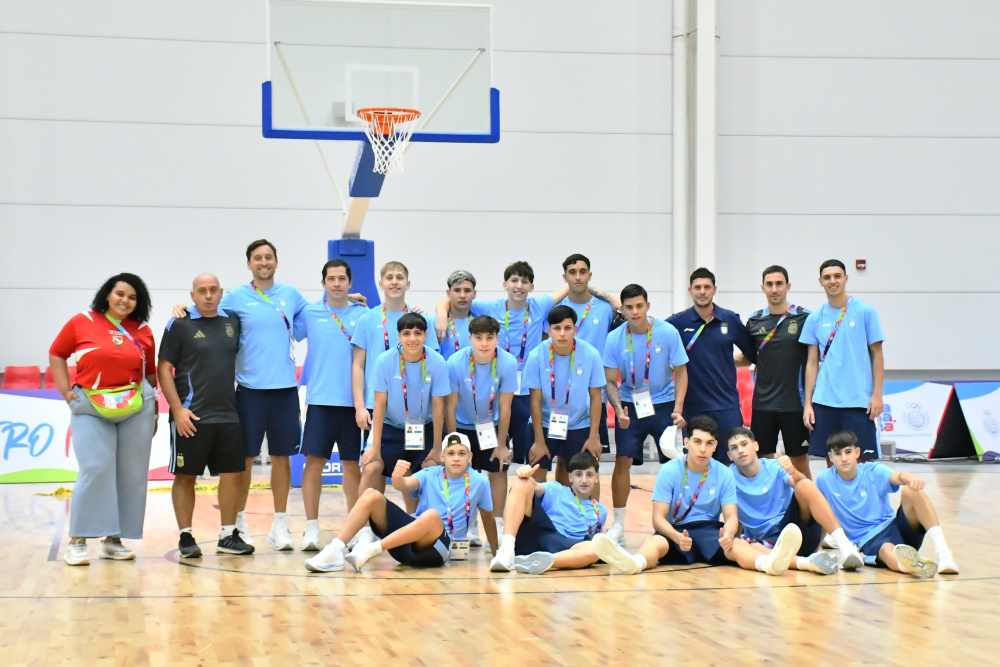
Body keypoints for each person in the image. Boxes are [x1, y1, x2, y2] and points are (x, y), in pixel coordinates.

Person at [171, 239, 310, 549]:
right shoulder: (233, 296)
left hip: (285, 391)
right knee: (242, 461)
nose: (264, 262)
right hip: (248, 392)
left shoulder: (291, 295)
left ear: (276, 261)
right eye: (257, 258)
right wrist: (182, 308)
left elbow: (319, 314)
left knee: (282, 459)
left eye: (269, 257)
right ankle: (240, 524)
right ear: (249, 263)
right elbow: (203, 307)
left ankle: (280, 524)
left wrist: (351, 299)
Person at [592, 416, 802, 576]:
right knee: (655, 543)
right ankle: (635, 563)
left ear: (716, 446)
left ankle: (767, 565)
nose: (703, 449)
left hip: (709, 529)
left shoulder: (723, 473)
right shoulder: (670, 471)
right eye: (697, 441)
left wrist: (728, 533)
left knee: (736, 545)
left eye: (709, 443)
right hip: (675, 530)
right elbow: (657, 518)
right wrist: (676, 537)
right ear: (686, 442)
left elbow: (731, 517)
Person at [49, 273, 158, 566]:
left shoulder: (144, 331)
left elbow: (150, 375)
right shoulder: (81, 321)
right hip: (90, 407)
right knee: (95, 468)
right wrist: (65, 390)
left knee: (131, 475)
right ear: (108, 295)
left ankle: (113, 540)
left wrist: (155, 410)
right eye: (120, 294)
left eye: (132, 297)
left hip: (137, 409)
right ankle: (78, 540)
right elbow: (57, 353)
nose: (125, 300)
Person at [158, 273, 253, 557]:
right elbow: (164, 368)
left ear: (221, 292)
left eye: (213, 290)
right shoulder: (179, 323)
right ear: (192, 296)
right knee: (186, 477)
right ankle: (186, 537)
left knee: (234, 474)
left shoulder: (233, 321)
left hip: (228, 414)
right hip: (191, 417)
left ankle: (227, 535)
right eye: (202, 291)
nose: (208, 295)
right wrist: (177, 409)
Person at [305, 433, 495, 573]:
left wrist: (497, 555)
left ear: (470, 457)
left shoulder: (480, 482)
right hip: (407, 542)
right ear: (442, 457)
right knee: (371, 495)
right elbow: (404, 484)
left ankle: (372, 550)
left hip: (439, 549)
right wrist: (397, 477)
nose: (456, 458)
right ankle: (335, 550)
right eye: (451, 453)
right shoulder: (431, 474)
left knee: (432, 516)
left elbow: (488, 518)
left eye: (462, 453)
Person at [603, 284, 688, 544]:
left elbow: (681, 372)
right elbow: (609, 380)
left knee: (673, 463)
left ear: (647, 305)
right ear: (623, 309)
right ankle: (618, 524)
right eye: (629, 307)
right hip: (630, 403)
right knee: (622, 461)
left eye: (639, 306)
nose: (635, 311)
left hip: (664, 404)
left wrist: (678, 408)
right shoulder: (614, 338)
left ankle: (674, 521)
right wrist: (618, 410)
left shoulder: (667, 332)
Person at [293, 260, 369, 551]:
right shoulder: (311, 313)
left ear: (350, 283)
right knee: (314, 464)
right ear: (323, 283)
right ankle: (311, 528)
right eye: (331, 279)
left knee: (352, 466)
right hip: (320, 402)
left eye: (342, 279)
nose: (336, 283)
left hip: (354, 404)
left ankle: (355, 528)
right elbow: (285, 325)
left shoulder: (363, 314)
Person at [816, 430, 958, 577]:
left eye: (848, 452)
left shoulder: (873, 470)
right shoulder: (824, 479)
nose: (844, 458)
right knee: (886, 550)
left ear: (857, 453)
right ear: (831, 457)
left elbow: (898, 476)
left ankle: (944, 554)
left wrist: (910, 478)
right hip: (868, 540)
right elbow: (820, 512)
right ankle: (912, 566)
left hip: (895, 526)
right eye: (838, 454)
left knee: (911, 490)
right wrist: (815, 550)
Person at [725, 427, 864, 573]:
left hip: (794, 530)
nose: (740, 450)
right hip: (766, 541)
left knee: (803, 484)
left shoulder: (774, 466)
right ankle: (808, 563)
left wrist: (792, 470)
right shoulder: (727, 477)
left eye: (744, 444)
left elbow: (804, 485)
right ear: (729, 455)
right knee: (747, 547)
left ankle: (846, 547)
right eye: (734, 448)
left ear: (756, 446)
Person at [358, 313, 451, 526]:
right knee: (371, 467)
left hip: (423, 427)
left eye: (418, 333)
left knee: (427, 470)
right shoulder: (384, 361)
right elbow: (379, 405)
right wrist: (376, 446)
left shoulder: (437, 363)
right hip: (390, 427)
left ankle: (415, 522)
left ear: (426, 336)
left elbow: (439, 408)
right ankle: (363, 529)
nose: (412, 339)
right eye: (407, 333)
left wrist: (437, 448)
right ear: (398, 336)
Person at [800, 259, 885, 464]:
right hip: (825, 401)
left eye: (837, 276)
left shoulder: (865, 311)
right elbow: (812, 363)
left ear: (846, 278)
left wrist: (877, 395)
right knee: (833, 459)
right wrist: (808, 404)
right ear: (820, 281)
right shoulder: (814, 318)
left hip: (858, 401)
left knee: (864, 460)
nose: (833, 281)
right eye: (827, 277)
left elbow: (878, 355)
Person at [667, 268, 755, 462]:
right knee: (696, 462)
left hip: (727, 406)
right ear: (690, 290)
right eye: (697, 287)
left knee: (732, 462)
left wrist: (723, 361)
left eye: (707, 287)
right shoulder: (677, 323)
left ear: (715, 290)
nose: (702, 291)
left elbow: (752, 355)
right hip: (693, 407)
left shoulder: (730, 319)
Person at [445, 315, 518, 547]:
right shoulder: (455, 362)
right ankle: (470, 523)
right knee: (464, 473)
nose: (484, 344)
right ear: (470, 339)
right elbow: (451, 405)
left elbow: (506, 407)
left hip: (491, 425)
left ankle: (496, 523)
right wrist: (452, 440)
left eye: (489, 338)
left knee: (498, 468)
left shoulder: (507, 362)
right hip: (463, 425)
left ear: (498, 338)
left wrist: (502, 443)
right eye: (479, 338)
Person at [352, 261, 438, 445]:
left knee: (416, 469)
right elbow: (358, 365)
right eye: (389, 277)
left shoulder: (422, 320)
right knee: (374, 466)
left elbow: (432, 364)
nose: (394, 282)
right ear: (380, 284)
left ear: (408, 284)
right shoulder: (367, 319)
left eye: (400, 278)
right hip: (376, 406)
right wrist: (359, 406)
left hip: (416, 408)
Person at [739, 266, 812, 479]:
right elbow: (747, 356)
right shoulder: (754, 320)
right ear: (763, 288)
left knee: (799, 461)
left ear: (788, 286)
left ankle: (806, 510)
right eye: (769, 284)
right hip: (763, 404)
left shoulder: (804, 318)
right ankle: (769, 508)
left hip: (795, 405)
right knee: (762, 460)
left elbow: (815, 358)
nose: (774, 289)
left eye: (779, 284)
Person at [524, 306, 606, 485]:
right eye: (557, 328)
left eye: (567, 328)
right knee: (535, 480)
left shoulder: (591, 355)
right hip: (544, 424)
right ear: (549, 330)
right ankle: (536, 512)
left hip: (579, 423)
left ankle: (591, 513)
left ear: (575, 330)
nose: (562, 333)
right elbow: (535, 401)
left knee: (586, 477)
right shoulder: (536, 356)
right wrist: (539, 441)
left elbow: (595, 397)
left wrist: (593, 437)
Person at [489, 453, 609, 575]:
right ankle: (507, 549)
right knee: (523, 482)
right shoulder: (557, 489)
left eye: (589, 475)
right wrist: (525, 475)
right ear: (570, 477)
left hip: (568, 548)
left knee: (595, 549)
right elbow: (534, 485)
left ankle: (543, 561)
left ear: (596, 478)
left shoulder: (601, 511)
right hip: (544, 536)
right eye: (578, 474)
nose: (584, 480)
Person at [555, 254, 619, 456]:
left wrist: (608, 296)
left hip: (593, 394)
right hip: (562, 395)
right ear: (564, 277)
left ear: (590, 275)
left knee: (590, 459)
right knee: (565, 460)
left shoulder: (606, 309)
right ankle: (564, 490)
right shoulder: (556, 309)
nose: (578, 277)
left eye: (583, 272)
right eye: (572, 272)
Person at [434, 270, 476, 361]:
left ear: (474, 294)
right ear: (448, 293)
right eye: (457, 290)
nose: (462, 295)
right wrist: (442, 316)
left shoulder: (480, 323)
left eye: (467, 290)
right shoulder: (436, 323)